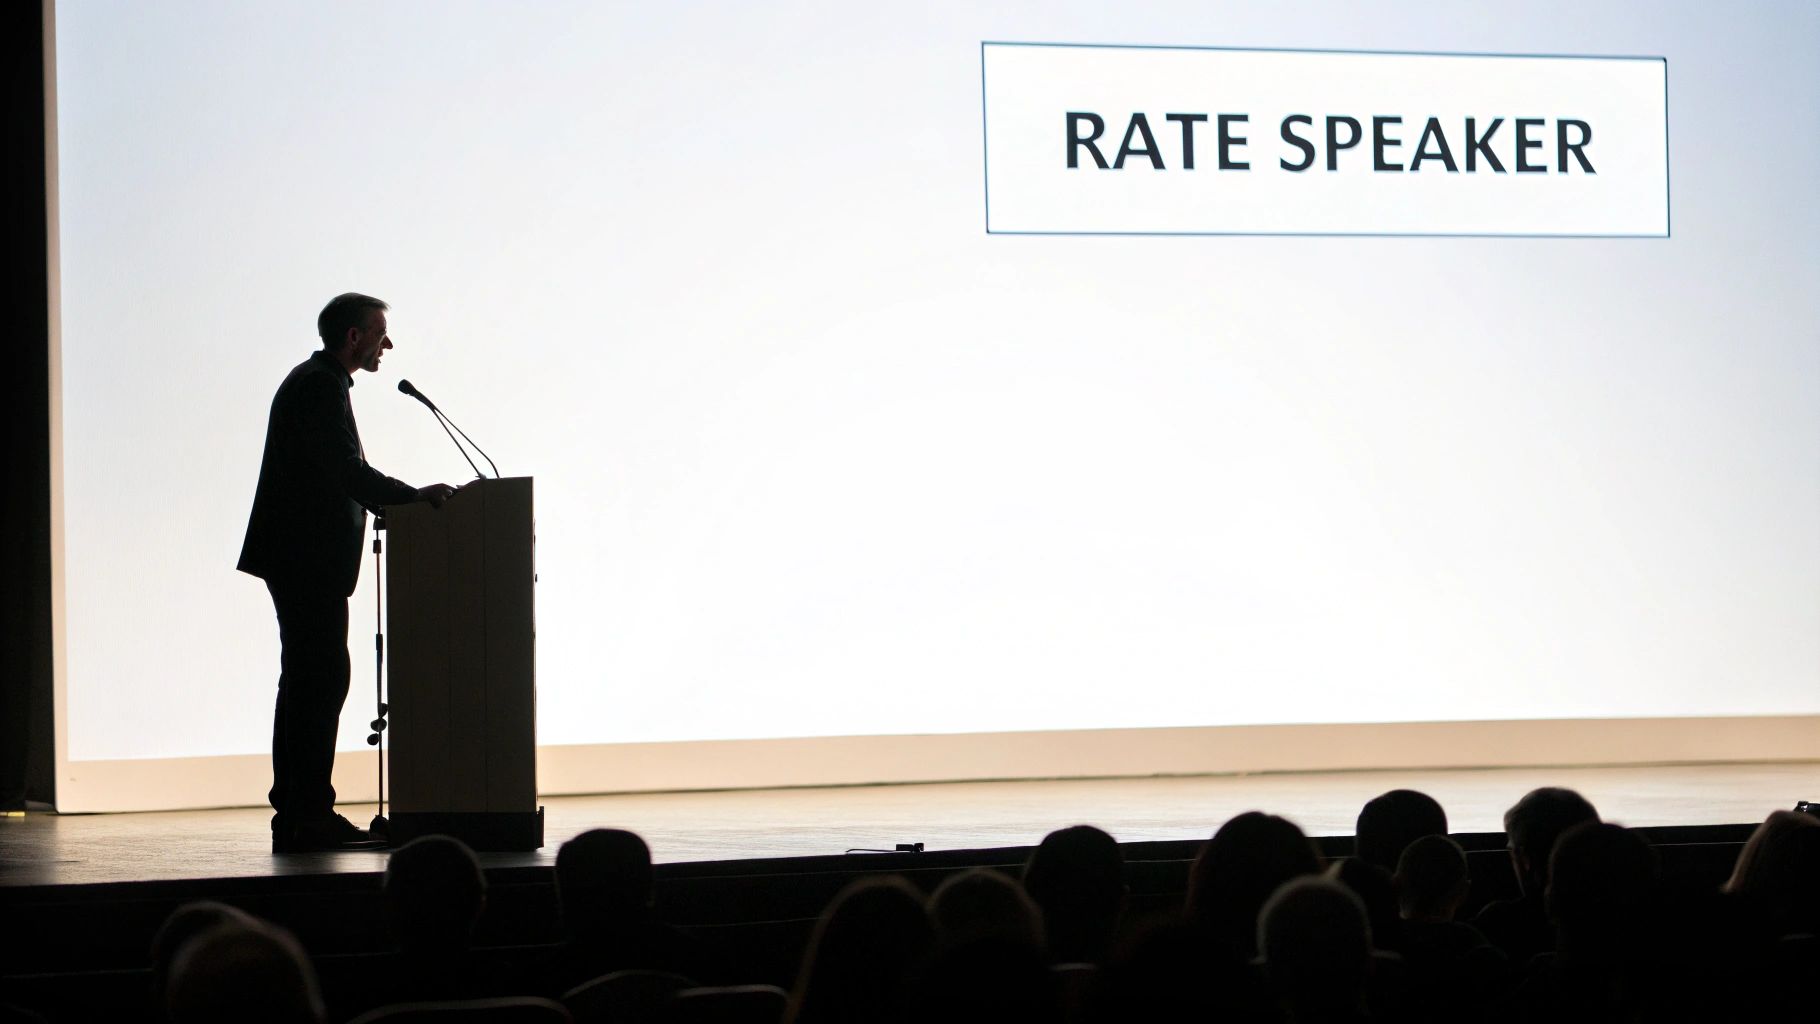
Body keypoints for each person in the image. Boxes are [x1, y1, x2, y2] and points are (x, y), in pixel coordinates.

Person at [238, 293, 456, 853]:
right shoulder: (318, 385)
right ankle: (306, 816)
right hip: (305, 559)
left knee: (311, 679)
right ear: (354, 337)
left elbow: (340, 472)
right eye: (380, 333)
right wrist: (412, 498)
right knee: (318, 680)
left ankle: (301, 813)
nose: (388, 344)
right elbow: (346, 471)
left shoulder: (320, 381)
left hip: (303, 559)